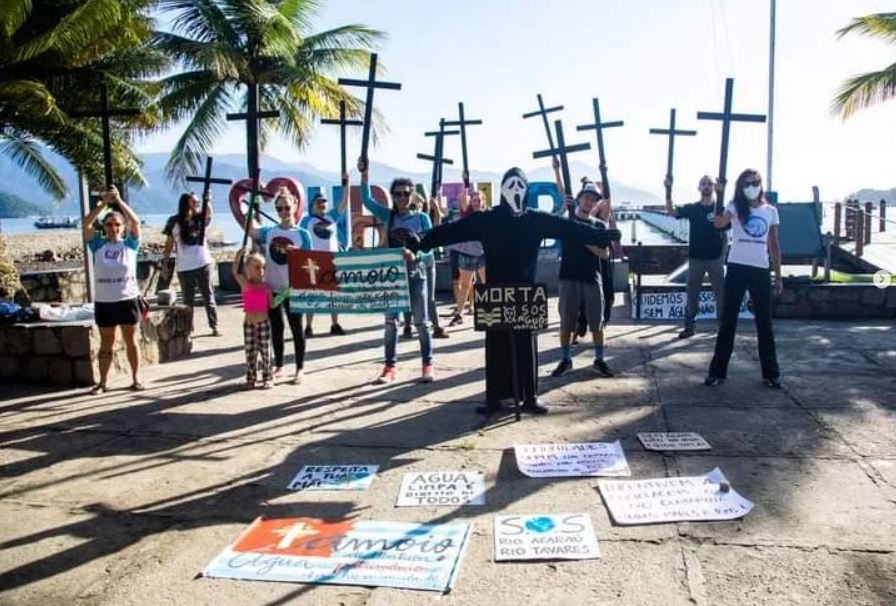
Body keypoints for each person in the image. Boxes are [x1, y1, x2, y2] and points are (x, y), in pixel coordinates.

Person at [417, 168, 620, 415]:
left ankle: (529, 396)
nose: (515, 191)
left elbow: (570, 229)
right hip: (496, 294)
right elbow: (453, 230)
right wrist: (421, 241)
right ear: (502, 190)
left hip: (525, 294)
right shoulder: (488, 218)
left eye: (519, 185)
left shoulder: (536, 219)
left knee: (526, 343)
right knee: (496, 345)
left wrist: (601, 235)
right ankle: (494, 398)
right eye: (510, 185)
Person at [705, 169, 782, 388]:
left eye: (755, 182)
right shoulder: (735, 206)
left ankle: (771, 373)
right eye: (747, 183)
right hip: (738, 267)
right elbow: (719, 223)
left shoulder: (770, 211)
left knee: (764, 323)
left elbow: (774, 245)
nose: (752, 186)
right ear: (740, 186)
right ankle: (717, 371)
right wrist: (718, 197)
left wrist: (778, 276)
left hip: (760, 269)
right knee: (728, 320)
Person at [360, 159, 435, 383]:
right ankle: (389, 367)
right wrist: (364, 174)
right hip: (393, 279)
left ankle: (427, 364)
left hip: (416, 275)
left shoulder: (422, 219)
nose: (402, 197)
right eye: (398, 194)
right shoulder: (388, 216)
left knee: (422, 322)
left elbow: (431, 248)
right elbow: (366, 199)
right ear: (392, 196)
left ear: (412, 196)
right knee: (391, 323)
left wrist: (417, 255)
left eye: (406, 193)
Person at [238, 186, 312, 384]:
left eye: (287, 207)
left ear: (294, 206)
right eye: (279, 208)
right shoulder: (269, 232)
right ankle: (279, 365)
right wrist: (245, 203)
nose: (284, 212)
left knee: (297, 328)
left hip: (293, 289)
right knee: (275, 328)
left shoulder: (303, 234)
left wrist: (297, 253)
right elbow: (251, 230)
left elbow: (311, 262)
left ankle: (300, 368)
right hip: (271, 288)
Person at [81, 186, 143, 393]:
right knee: (106, 343)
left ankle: (136, 379)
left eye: (117, 225)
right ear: (104, 227)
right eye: (109, 224)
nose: (113, 228)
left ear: (122, 227)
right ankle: (103, 382)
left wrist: (119, 202)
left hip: (127, 299)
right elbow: (86, 224)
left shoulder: (130, 245)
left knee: (131, 341)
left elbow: (135, 222)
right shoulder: (98, 245)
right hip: (105, 302)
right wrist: (104, 204)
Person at [550, 180, 614, 378]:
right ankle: (565, 359)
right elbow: (550, 226)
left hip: (592, 278)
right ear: (578, 199)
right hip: (569, 277)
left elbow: (605, 254)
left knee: (597, 321)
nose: (589, 201)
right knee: (567, 321)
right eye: (586, 197)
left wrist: (584, 241)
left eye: (593, 199)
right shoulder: (568, 222)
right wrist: (562, 208)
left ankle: (600, 359)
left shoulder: (599, 226)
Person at [664, 175, 727, 338]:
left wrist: (722, 193)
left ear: (713, 188)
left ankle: (723, 327)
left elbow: (729, 223)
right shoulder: (693, 208)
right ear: (699, 188)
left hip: (715, 259)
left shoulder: (720, 209)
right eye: (703, 184)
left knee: (720, 294)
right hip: (696, 258)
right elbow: (671, 211)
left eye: (709, 184)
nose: (706, 186)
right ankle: (689, 326)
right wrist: (668, 190)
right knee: (692, 294)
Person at [161, 191, 220, 335]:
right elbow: (169, 244)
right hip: (185, 267)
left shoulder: (199, 218)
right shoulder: (174, 221)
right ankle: (188, 328)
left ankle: (214, 325)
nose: (196, 205)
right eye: (194, 202)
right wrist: (165, 263)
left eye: (198, 203)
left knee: (208, 296)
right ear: (186, 203)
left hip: (203, 263)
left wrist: (208, 200)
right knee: (188, 301)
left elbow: (208, 214)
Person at [302, 174, 350, 338]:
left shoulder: (331, 217)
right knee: (312, 294)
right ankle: (308, 326)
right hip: (313, 262)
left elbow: (344, 204)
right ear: (313, 205)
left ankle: (334, 323)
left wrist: (347, 185)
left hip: (331, 261)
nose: (321, 205)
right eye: (318, 202)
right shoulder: (307, 221)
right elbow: (300, 238)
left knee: (332, 294)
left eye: (324, 202)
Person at [232, 249, 275, 390]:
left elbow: (272, 304)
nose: (261, 270)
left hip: (263, 323)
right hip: (249, 323)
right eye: (257, 267)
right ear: (248, 269)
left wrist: (285, 294)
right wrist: (238, 257)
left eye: (263, 267)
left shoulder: (267, 287)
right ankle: (251, 377)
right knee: (250, 352)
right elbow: (236, 272)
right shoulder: (246, 285)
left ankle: (268, 377)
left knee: (266, 352)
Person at [448, 186, 487, 326]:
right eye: (474, 200)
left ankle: (491, 308)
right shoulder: (467, 214)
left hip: (483, 254)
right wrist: (466, 187)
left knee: (487, 283)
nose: (476, 203)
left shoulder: (487, 215)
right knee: (465, 285)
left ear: (483, 202)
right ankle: (459, 313)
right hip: (467, 253)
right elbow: (463, 201)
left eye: (479, 200)